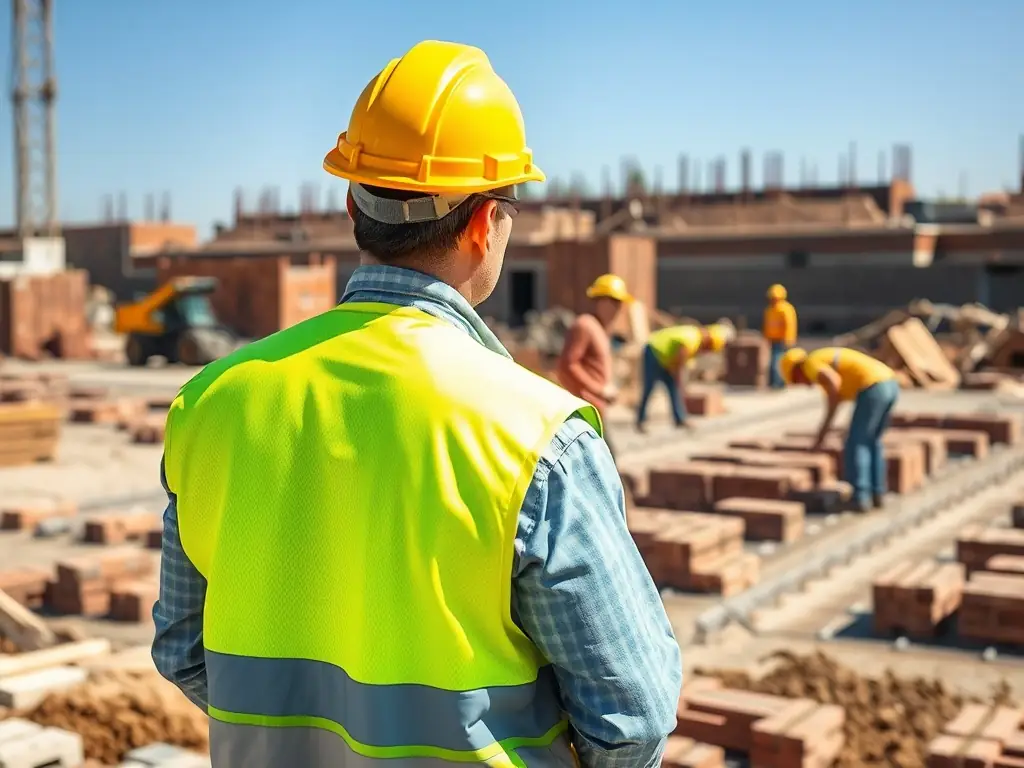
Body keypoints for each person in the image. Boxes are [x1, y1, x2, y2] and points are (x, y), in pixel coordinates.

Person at [151, 40, 680, 768]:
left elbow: (182, 648)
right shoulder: (537, 438)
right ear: (483, 223)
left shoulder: (211, 404)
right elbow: (631, 719)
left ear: (351, 204)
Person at [779, 346, 899, 512]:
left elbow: (834, 384)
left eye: (796, 380)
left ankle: (859, 497)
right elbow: (833, 403)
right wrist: (822, 435)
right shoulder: (821, 360)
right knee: (872, 441)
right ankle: (877, 493)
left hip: (873, 386)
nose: (804, 385)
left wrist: (823, 434)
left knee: (856, 443)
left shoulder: (810, 364)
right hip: (890, 383)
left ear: (796, 370)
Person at [556, 273, 631, 459]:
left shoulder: (599, 329)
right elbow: (568, 365)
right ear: (601, 301)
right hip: (584, 411)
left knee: (605, 462)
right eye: (615, 302)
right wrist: (599, 390)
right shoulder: (584, 325)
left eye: (620, 304)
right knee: (606, 463)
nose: (618, 309)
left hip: (595, 410)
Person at [635, 321, 735, 433]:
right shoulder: (691, 341)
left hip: (666, 357)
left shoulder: (695, 339)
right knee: (649, 387)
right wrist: (679, 379)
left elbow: (681, 363)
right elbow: (679, 363)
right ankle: (641, 420)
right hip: (654, 350)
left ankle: (680, 418)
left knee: (673, 387)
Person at [762, 283, 797, 389]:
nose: (773, 300)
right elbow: (767, 324)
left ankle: (779, 383)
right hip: (773, 339)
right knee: (774, 361)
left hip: (782, 340)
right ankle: (776, 382)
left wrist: (788, 339)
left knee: (778, 361)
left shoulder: (786, 309)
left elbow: (789, 325)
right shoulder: (770, 310)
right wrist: (766, 337)